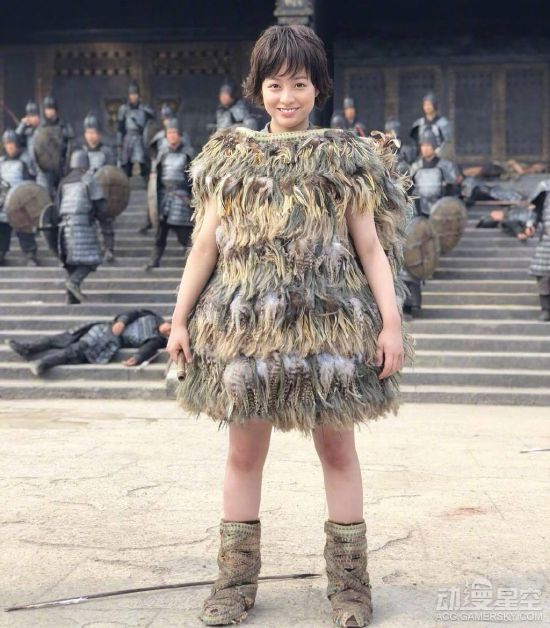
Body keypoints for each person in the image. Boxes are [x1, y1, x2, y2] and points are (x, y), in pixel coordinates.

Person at [166, 24, 415, 628]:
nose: (287, 97)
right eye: (275, 85)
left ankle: (350, 588)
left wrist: (391, 323)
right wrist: (178, 320)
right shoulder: (230, 158)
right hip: (247, 332)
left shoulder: (344, 158)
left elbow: (371, 248)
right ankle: (234, 584)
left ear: (318, 88)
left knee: (338, 450)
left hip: (331, 331)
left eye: (299, 84)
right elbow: (205, 247)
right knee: (243, 454)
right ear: (258, 89)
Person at [8, 308, 170, 374]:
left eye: (170, 334)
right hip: (102, 326)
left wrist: (137, 358)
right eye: (170, 328)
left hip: (108, 339)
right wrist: (122, 321)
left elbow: (149, 348)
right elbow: (132, 312)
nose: (167, 331)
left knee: (76, 350)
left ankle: (43, 363)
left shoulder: (157, 340)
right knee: (62, 338)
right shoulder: (151, 316)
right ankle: (27, 348)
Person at [56, 150, 108, 304]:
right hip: (83, 226)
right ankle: (73, 283)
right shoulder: (89, 179)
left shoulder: (64, 182)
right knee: (93, 260)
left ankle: (70, 297)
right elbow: (100, 205)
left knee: (71, 263)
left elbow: (57, 207)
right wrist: (102, 218)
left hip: (64, 228)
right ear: (86, 163)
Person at [145, 118, 194, 270]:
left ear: (179, 135)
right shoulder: (162, 153)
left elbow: (193, 180)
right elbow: (156, 178)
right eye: (169, 133)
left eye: (174, 132)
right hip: (164, 197)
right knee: (160, 232)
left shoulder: (187, 153)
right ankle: (154, 260)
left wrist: (192, 200)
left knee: (184, 235)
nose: (171, 135)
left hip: (181, 198)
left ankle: (193, 264)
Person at [80, 113, 117, 263]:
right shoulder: (81, 152)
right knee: (85, 223)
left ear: (99, 134)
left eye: (93, 132)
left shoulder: (106, 152)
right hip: (85, 194)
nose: (91, 136)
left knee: (106, 223)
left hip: (102, 194)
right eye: (88, 132)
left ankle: (109, 249)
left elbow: (113, 174)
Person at [0, 130, 40, 266]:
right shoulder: (1, 163)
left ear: (17, 144)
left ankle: (30, 255)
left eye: (12, 143)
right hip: (3, 203)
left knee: (24, 229)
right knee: (2, 228)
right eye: (7, 144)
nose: (10, 146)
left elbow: (30, 185)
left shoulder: (24, 163)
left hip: (19, 203)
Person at [409, 130, 461, 217]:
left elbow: (452, 190)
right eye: (423, 145)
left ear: (434, 146)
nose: (425, 149)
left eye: (428, 145)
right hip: (419, 209)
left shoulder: (445, 166)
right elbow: (409, 188)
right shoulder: (416, 167)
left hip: (441, 210)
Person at [35, 95, 74, 198]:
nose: (49, 112)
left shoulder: (64, 127)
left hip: (61, 169)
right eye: (47, 109)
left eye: (51, 109)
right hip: (45, 171)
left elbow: (69, 149)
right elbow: (35, 151)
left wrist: (66, 168)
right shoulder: (40, 129)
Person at [523, 181, 550, 321]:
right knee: (544, 274)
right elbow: (535, 210)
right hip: (548, 239)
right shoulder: (545, 188)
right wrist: (531, 225)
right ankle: (546, 309)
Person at [410, 92, 451, 158]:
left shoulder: (443, 123)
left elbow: (446, 143)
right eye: (425, 105)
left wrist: (438, 153)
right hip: (421, 157)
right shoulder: (418, 123)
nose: (427, 107)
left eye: (429, 104)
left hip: (439, 157)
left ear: (435, 105)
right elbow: (415, 142)